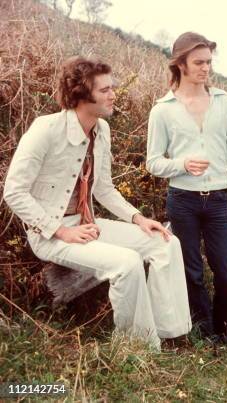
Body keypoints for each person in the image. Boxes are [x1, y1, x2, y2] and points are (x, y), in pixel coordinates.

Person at [3, 56, 191, 350]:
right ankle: (135, 346)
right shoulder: (46, 129)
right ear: (80, 94)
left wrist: (138, 218)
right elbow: (14, 191)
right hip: (49, 234)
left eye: (112, 88)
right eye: (104, 90)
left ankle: (172, 334)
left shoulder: (101, 130)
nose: (113, 94)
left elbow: (103, 189)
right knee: (126, 263)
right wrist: (60, 231)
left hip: (84, 224)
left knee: (165, 242)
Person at [146, 32, 227, 352]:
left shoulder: (224, 101)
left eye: (209, 62)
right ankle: (205, 334)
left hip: (220, 199)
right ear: (180, 65)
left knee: (226, 273)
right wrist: (181, 163)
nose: (206, 68)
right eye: (199, 63)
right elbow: (153, 162)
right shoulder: (162, 110)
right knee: (191, 272)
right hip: (183, 200)